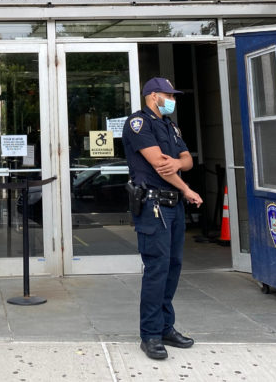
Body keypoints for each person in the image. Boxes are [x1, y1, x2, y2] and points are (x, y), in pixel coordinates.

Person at [122, 77, 203, 360]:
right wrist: (187, 188)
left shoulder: (170, 125)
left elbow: (186, 160)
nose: (173, 100)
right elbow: (160, 165)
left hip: (174, 206)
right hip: (154, 206)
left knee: (173, 267)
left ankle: (166, 327)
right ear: (153, 96)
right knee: (157, 270)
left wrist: (179, 164)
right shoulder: (138, 124)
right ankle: (151, 335)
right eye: (169, 95)